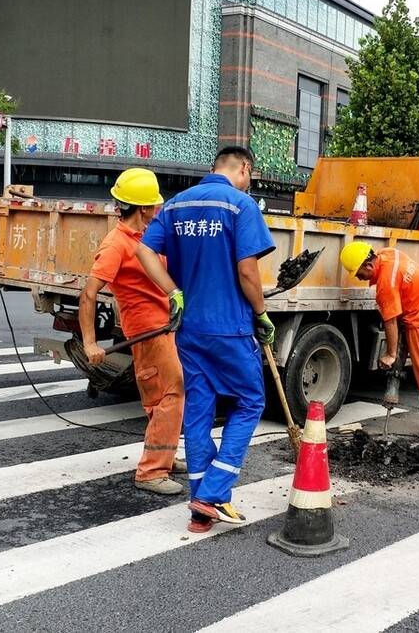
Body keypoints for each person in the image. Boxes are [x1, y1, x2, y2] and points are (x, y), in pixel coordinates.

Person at [136, 146, 276, 532]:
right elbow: (247, 271)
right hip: (230, 328)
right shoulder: (240, 205)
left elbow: (143, 250)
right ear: (244, 168)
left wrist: (172, 291)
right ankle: (212, 492)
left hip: (191, 330)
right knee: (250, 401)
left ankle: (200, 513)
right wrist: (261, 313)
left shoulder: (177, 205)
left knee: (198, 408)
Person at [79, 168, 185, 496]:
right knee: (171, 393)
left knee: (159, 396)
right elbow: (89, 292)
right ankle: (151, 472)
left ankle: (163, 451)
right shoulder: (117, 244)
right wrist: (90, 342)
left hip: (164, 324)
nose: (157, 209)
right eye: (154, 205)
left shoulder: (145, 238)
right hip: (147, 329)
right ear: (143, 209)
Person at [340, 241, 419, 444]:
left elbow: (390, 322)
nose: (359, 278)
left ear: (368, 265)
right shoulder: (387, 254)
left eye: (358, 273)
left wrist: (391, 355)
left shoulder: (385, 285)